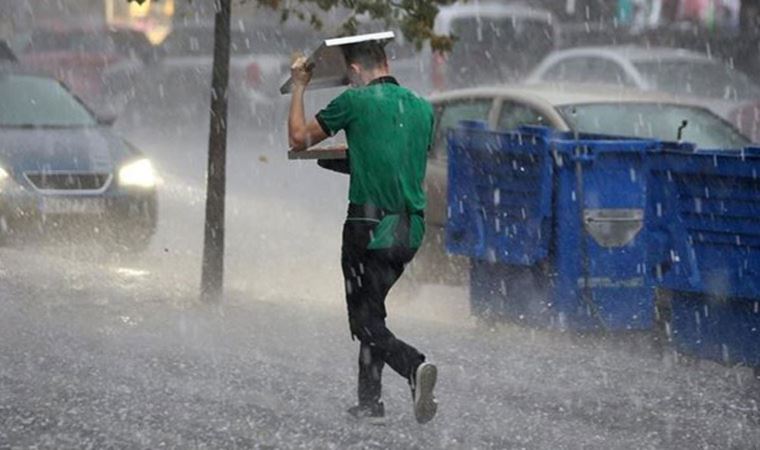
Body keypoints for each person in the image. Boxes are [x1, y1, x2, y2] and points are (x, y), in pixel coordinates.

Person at [287, 40, 438, 425]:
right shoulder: (422, 108)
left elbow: (298, 138)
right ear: (386, 62)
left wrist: (300, 85)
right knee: (373, 311)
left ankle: (412, 365)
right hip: (409, 231)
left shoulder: (354, 102)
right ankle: (370, 403)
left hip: (367, 228)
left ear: (354, 71)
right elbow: (397, 161)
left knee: (363, 321)